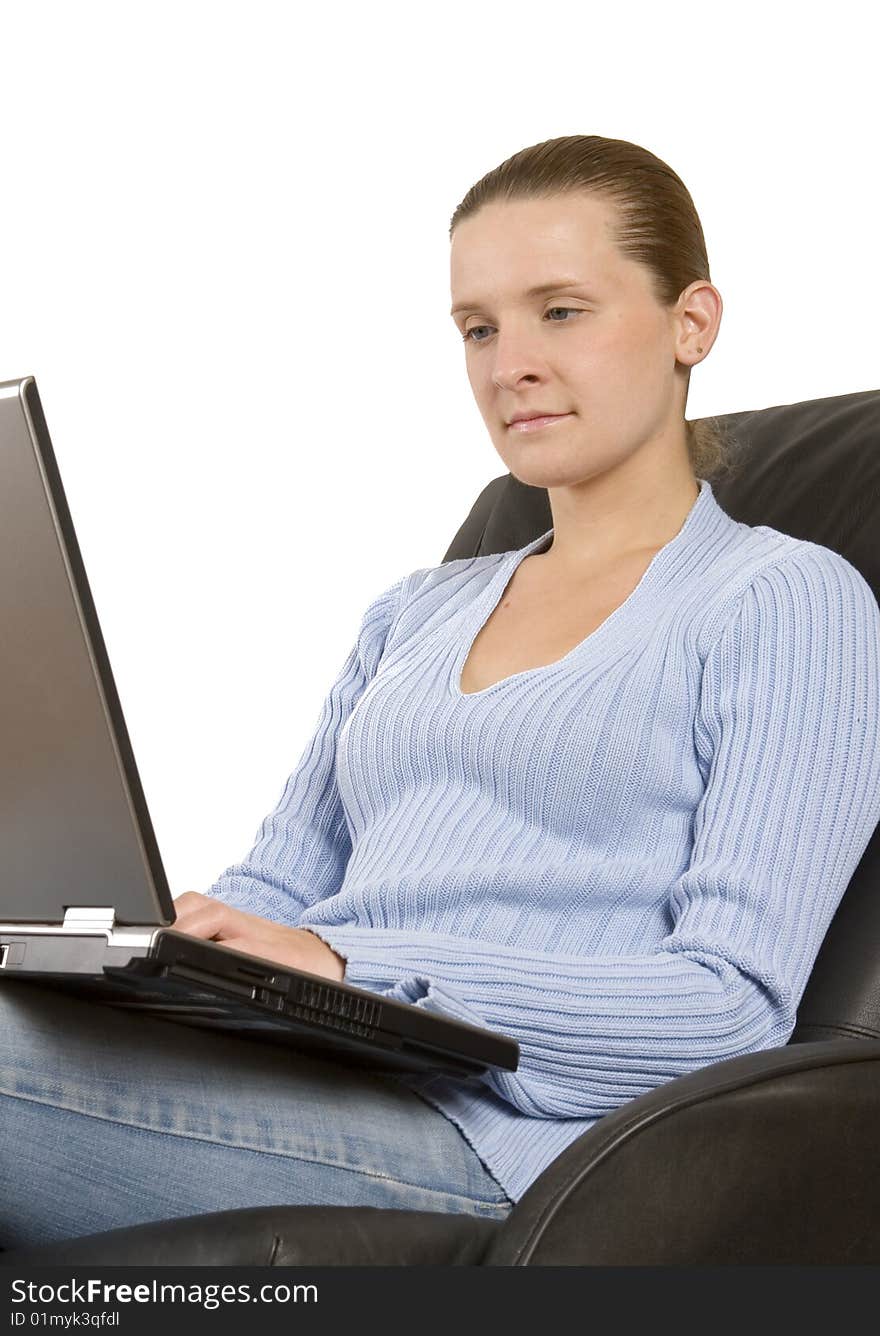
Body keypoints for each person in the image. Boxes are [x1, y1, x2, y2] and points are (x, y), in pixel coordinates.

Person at [3, 134, 879, 1252]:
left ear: (689, 323)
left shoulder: (782, 600)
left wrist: (355, 965)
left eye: (559, 310)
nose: (506, 361)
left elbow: (727, 1009)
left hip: (491, 1139)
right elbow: (278, 881)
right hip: (302, 1066)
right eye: (478, 326)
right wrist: (153, 945)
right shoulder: (411, 611)